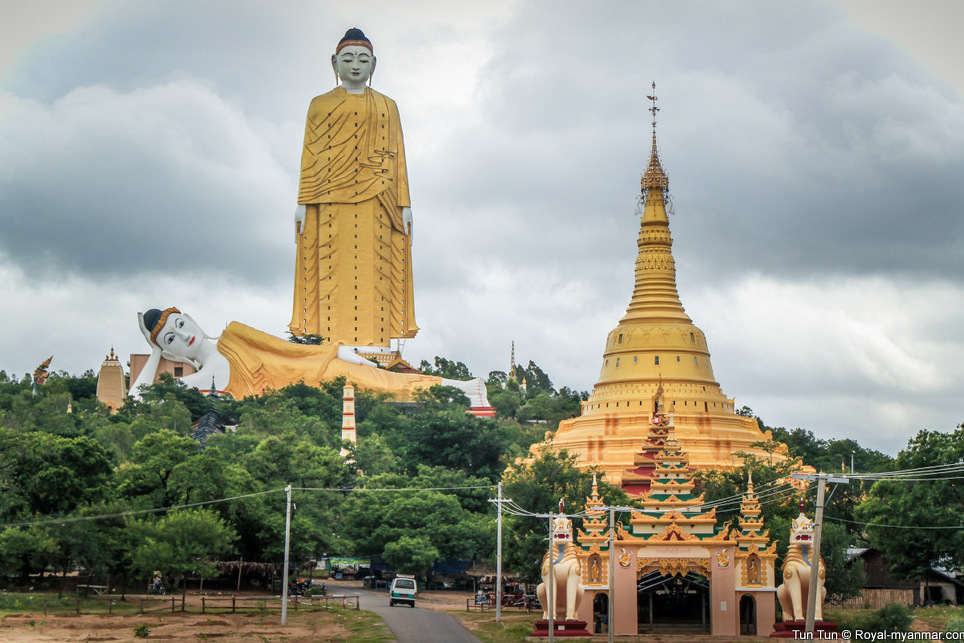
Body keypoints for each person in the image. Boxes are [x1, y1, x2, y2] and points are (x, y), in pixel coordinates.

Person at [289, 28, 417, 355]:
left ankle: (376, 348)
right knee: (330, 276)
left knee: (376, 275)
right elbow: (311, 155)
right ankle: (330, 347)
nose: (356, 65)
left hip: (378, 201)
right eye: (348, 59)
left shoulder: (388, 106)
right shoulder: (319, 106)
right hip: (329, 201)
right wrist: (303, 201)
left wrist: (405, 204)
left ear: (374, 64)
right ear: (334, 62)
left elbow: (398, 157)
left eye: (363, 59)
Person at [130, 307, 488, 405]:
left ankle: (461, 389)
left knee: (387, 382)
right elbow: (138, 400)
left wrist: (336, 351)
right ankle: (463, 394)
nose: (184, 334)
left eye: (180, 323)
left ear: (190, 316)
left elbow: (287, 348)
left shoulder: (234, 334)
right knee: (387, 391)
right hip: (317, 403)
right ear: (169, 350)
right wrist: (152, 352)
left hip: (321, 370)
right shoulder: (198, 379)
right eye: (171, 338)